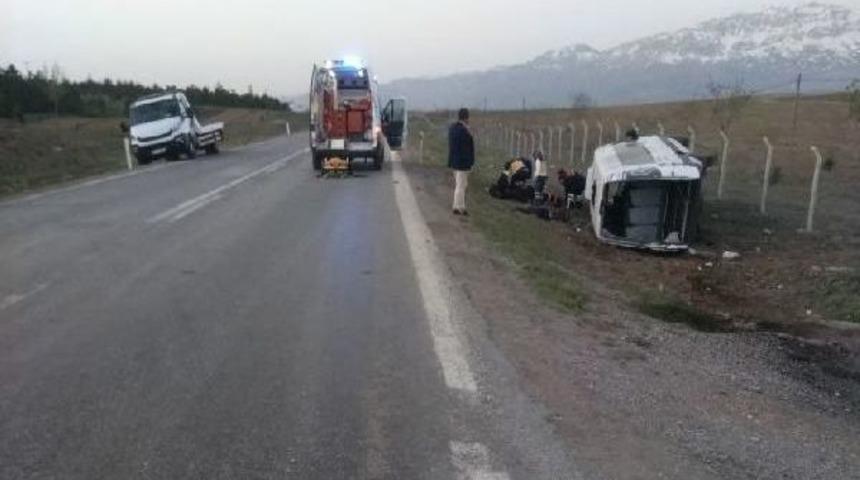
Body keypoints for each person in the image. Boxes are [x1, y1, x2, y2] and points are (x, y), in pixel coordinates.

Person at [448, 108, 475, 215]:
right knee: (461, 185)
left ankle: (459, 206)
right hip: (463, 162)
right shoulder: (464, 131)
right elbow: (467, 148)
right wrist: (470, 162)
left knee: (460, 184)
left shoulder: (453, 128)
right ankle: (459, 207)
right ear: (466, 118)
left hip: (454, 161)